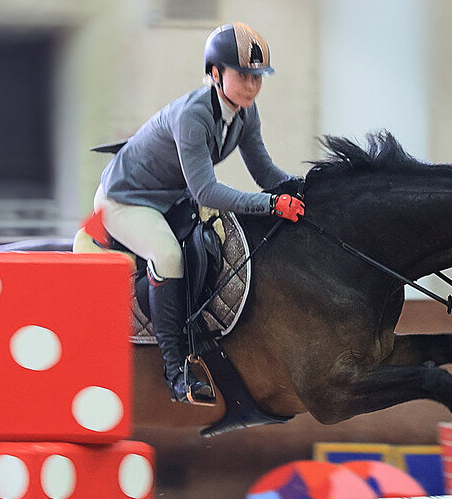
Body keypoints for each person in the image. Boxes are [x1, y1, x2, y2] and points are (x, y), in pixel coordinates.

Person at [76, 22, 305, 403]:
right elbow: (205, 190)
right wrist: (269, 205)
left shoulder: (246, 114)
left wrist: (301, 188)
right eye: (243, 75)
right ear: (216, 74)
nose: (252, 85)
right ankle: (177, 370)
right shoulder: (194, 115)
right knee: (167, 254)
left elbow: (265, 173)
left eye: (258, 78)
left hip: (168, 197)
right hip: (126, 199)